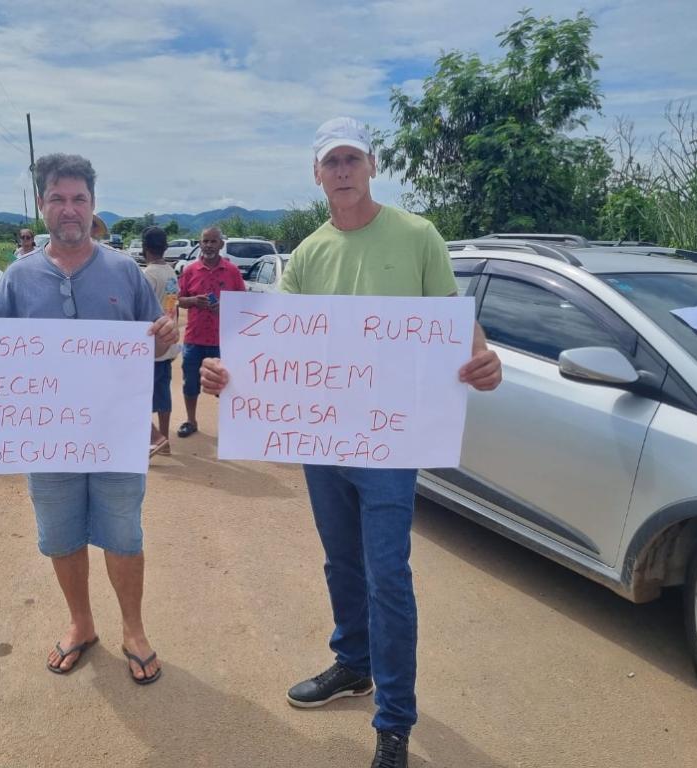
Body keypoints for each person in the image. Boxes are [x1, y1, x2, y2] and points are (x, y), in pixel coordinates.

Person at [200, 117, 502, 768]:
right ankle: (353, 664)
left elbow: (453, 324)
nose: (341, 170)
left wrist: (484, 362)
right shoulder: (308, 254)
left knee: (388, 575)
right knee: (341, 563)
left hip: (390, 444)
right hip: (323, 439)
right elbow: (277, 344)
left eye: (351, 159)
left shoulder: (418, 236)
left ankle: (393, 723)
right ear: (316, 174)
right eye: (330, 161)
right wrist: (227, 372)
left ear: (371, 166)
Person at [0, 154, 178, 684]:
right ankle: (81, 623)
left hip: (113, 437)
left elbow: (154, 344)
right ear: (42, 206)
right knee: (60, 534)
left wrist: (165, 338)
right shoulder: (18, 278)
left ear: (93, 205)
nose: (69, 209)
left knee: (124, 534)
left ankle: (133, 629)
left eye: (79, 198)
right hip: (46, 439)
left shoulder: (125, 272)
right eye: (58, 198)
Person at [175, 226, 245, 438]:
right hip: (194, 338)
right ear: (200, 243)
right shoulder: (190, 270)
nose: (208, 245)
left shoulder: (232, 271)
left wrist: (225, 306)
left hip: (222, 340)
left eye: (213, 241)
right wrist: (194, 301)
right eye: (205, 241)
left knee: (225, 385)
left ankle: (228, 427)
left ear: (221, 245)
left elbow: (244, 302)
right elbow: (176, 300)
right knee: (191, 383)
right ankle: (191, 421)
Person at [140, 226, 180, 456]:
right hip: (170, 343)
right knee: (163, 392)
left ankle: (152, 439)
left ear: (145, 248)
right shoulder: (171, 273)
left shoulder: (148, 275)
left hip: (152, 347)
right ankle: (165, 439)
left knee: (142, 395)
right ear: (165, 247)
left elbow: (142, 311)